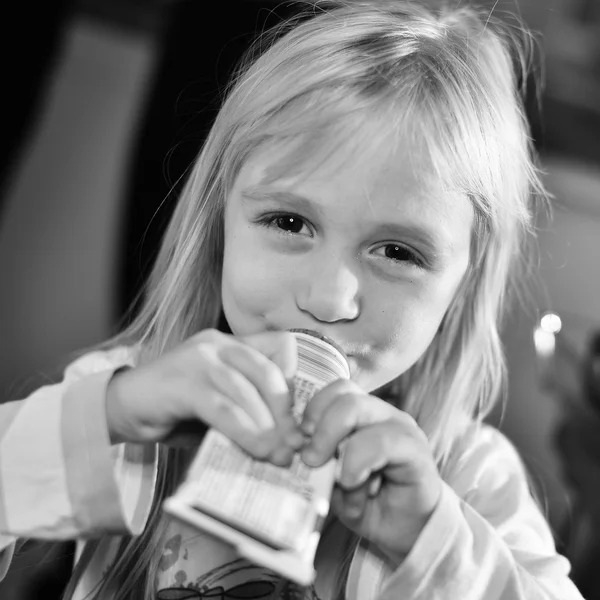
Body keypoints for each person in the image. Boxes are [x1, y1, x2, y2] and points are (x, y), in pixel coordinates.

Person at [0, 1, 585, 598]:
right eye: (288, 221)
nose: (329, 298)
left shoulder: (469, 477)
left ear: (463, 284)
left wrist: (432, 538)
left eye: (398, 253)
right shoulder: (128, 400)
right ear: (219, 223)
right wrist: (105, 415)